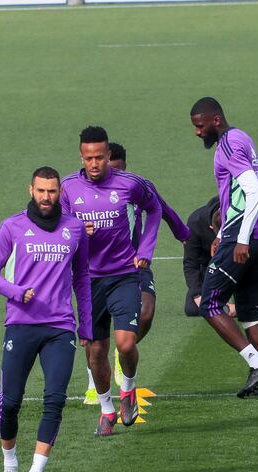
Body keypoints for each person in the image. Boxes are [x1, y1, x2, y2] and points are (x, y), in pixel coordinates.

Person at [0, 166, 92, 472]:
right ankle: (10, 467)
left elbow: (82, 277)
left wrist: (85, 323)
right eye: (41, 191)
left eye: (53, 191)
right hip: (21, 325)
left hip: (60, 327)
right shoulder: (12, 227)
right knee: (11, 403)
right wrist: (16, 292)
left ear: (60, 193)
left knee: (55, 400)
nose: (47, 197)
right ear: (31, 190)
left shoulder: (74, 229)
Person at [60, 126, 162, 436]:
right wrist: (77, 232)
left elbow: (155, 208)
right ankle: (106, 409)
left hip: (123, 275)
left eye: (100, 158)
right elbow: (59, 229)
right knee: (95, 350)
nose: (94, 164)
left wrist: (145, 249)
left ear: (108, 156)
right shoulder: (67, 188)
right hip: (88, 281)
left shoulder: (129, 184)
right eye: (89, 158)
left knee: (126, 342)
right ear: (81, 156)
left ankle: (128, 389)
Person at [83, 142, 190, 404]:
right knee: (95, 336)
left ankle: (123, 353)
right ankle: (92, 384)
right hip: (96, 271)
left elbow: (162, 209)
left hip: (134, 265)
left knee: (146, 311)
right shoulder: (84, 191)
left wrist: (185, 236)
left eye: (115, 168)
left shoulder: (136, 186)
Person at [190, 97, 258, 398]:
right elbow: (238, 196)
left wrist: (239, 239)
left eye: (200, 126)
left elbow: (253, 190)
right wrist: (224, 232)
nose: (197, 132)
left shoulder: (228, 145)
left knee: (209, 303)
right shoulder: (241, 137)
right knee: (248, 309)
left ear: (215, 120)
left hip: (246, 238)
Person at [183, 196, 258, 318]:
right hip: (212, 267)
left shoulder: (245, 216)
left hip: (242, 261)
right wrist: (198, 295)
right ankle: (227, 305)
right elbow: (191, 264)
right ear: (211, 228)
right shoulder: (195, 223)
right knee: (192, 308)